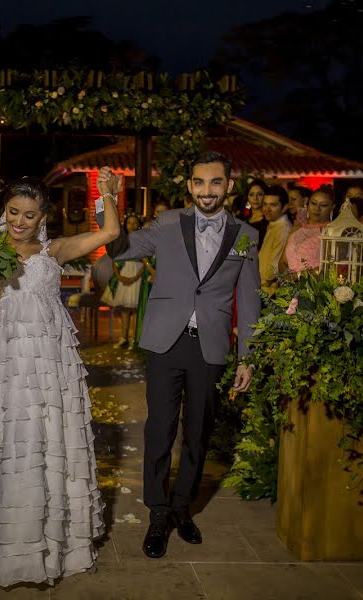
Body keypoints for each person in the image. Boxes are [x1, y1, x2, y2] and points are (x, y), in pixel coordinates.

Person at [0, 172, 119, 586]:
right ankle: (4, 538)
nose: (19, 222)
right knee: (7, 443)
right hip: (4, 365)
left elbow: (111, 231)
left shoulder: (54, 250)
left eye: (29, 214)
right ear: (3, 210)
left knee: (48, 441)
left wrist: (107, 194)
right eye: (12, 212)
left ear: (43, 217)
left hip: (49, 366)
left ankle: (52, 539)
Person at [106, 150, 259, 558]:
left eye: (215, 182)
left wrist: (248, 355)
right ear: (188, 185)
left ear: (229, 185)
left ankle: (181, 507)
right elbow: (119, 249)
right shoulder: (168, 222)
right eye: (198, 182)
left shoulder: (246, 236)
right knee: (160, 429)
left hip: (209, 345)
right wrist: (109, 201)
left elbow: (249, 297)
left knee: (198, 433)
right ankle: (158, 512)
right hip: (165, 342)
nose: (206, 191)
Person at [101, 213, 144, 349]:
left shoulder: (143, 239)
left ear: (139, 225)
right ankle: (123, 337)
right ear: (125, 225)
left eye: (135, 222)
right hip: (123, 273)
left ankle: (134, 338)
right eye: (129, 222)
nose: (132, 225)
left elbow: (146, 260)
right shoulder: (121, 240)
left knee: (136, 309)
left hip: (137, 273)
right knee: (125, 309)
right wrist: (119, 276)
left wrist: (136, 277)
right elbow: (115, 259)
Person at [135, 199, 171, 347]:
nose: (160, 214)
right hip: (150, 270)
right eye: (158, 212)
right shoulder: (148, 228)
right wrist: (151, 269)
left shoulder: (174, 228)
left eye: (164, 212)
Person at [278, 185, 334, 275]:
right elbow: (282, 262)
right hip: (288, 285)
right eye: (314, 203)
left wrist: (299, 277)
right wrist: (288, 279)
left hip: (314, 286)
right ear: (307, 205)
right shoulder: (297, 229)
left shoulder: (333, 232)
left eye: (323, 205)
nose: (317, 208)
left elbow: (331, 266)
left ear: (332, 207)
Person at [258, 186, 292, 294]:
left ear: (285, 207)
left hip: (269, 292)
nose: (267, 209)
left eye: (273, 205)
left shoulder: (283, 229)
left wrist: (255, 281)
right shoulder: (274, 225)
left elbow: (274, 268)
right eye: (265, 204)